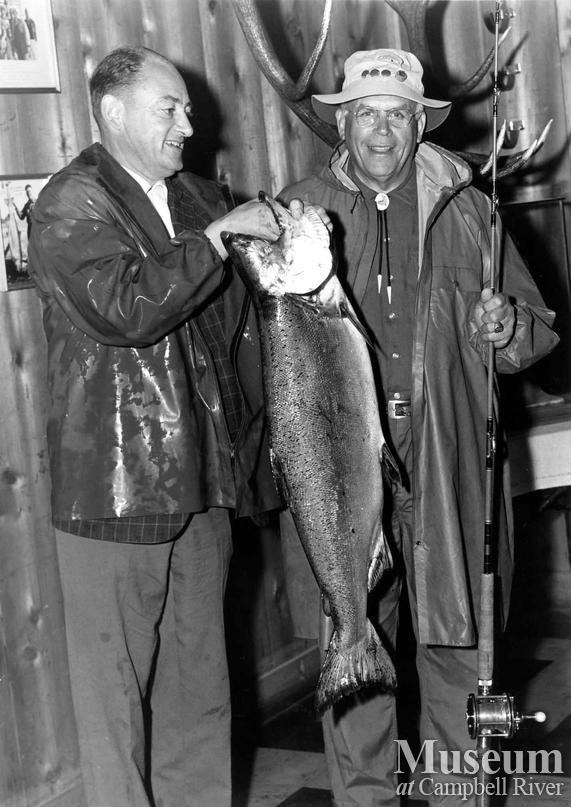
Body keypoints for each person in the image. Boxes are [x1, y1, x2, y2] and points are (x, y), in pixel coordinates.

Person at [28, 45, 324, 807]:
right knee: (116, 702)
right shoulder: (71, 201)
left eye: (188, 108)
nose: (189, 125)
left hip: (206, 481)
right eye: (171, 108)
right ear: (114, 112)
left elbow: (241, 330)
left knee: (201, 686)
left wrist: (288, 252)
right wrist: (222, 237)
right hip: (115, 493)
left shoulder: (195, 198)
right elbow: (126, 307)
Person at [279, 48, 559, 807]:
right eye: (365, 114)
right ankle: (365, 797)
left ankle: (457, 795)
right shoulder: (301, 210)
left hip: (451, 462)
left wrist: (506, 330)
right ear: (342, 121)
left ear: (418, 124)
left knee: (458, 648)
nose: (380, 132)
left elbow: (536, 332)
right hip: (342, 473)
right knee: (354, 639)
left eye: (396, 116)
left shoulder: (470, 206)